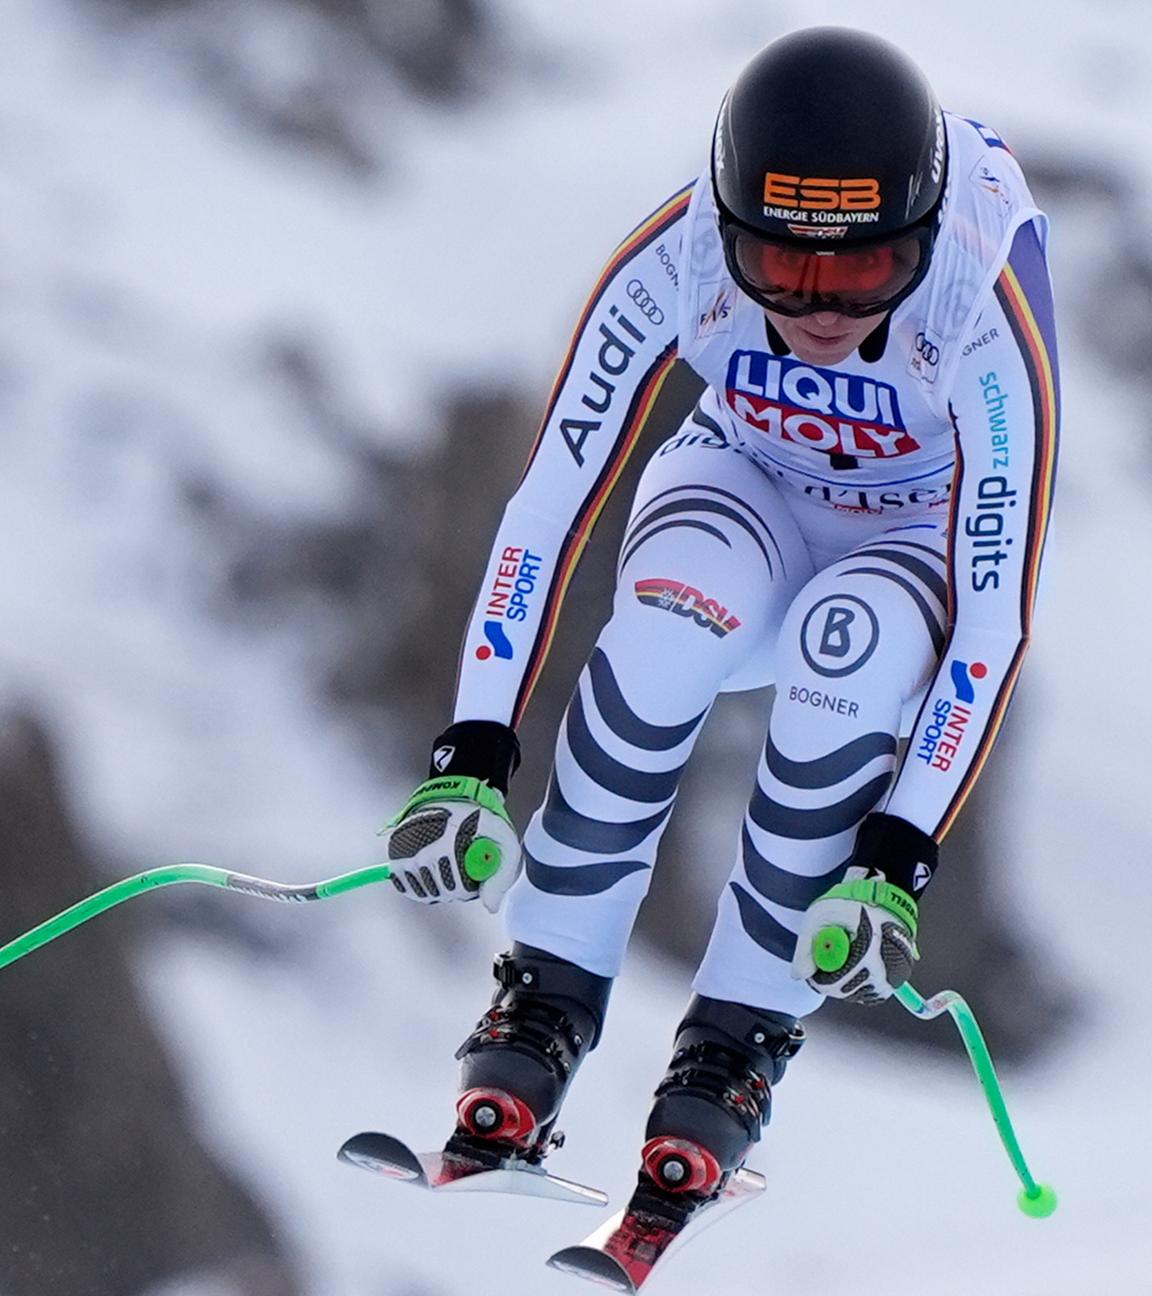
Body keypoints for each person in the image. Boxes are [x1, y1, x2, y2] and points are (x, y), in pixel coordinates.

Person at [381, 24, 1058, 1221]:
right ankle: (542, 1000)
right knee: (659, 631)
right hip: (743, 480)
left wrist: (897, 857)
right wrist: (473, 750)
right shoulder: (680, 250)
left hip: (908, 536)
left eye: (858, 276)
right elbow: (550, 504)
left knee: (846, 665)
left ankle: (732, 1050)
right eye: (779, 268)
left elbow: (993, 619)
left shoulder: (980, 286)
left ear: (924, 238)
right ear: (727, 224)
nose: (815, 308)